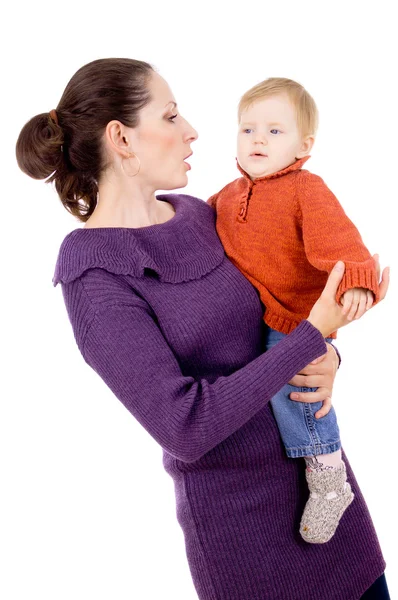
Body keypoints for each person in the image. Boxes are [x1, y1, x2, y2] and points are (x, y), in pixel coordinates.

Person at [15, 58, 390, 600]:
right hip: (247, 541)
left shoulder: (199, 214)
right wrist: (310, 338)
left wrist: (327, 357)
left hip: (330, 502)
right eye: (170, 116)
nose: (191, 130)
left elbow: (278, 311)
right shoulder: (94, 277)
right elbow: (185, 426)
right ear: (122, 138)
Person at [207, 77, 382, 545]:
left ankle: (327, 475)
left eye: (274, 131)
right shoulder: (226, 195)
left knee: (299, 386)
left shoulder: (306, 188)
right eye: (248, 130)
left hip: (298, 317)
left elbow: (340, 240)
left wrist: (356, 281)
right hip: (252, 314)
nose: (258, 139)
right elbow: (199, 232)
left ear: (304, 145)